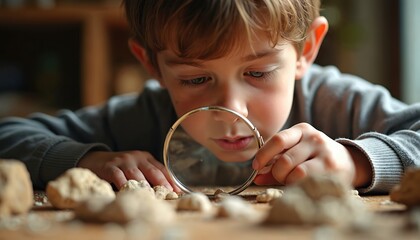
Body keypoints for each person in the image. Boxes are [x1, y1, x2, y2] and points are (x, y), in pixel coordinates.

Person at [1, 0, 419, 194]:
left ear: (306, 50)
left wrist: (359, 161)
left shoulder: (336, 102)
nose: (231, 111)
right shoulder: (144, 116)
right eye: (196, 80)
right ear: (153, 66)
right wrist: (86, 158)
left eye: (257, 72)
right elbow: (10, 135)